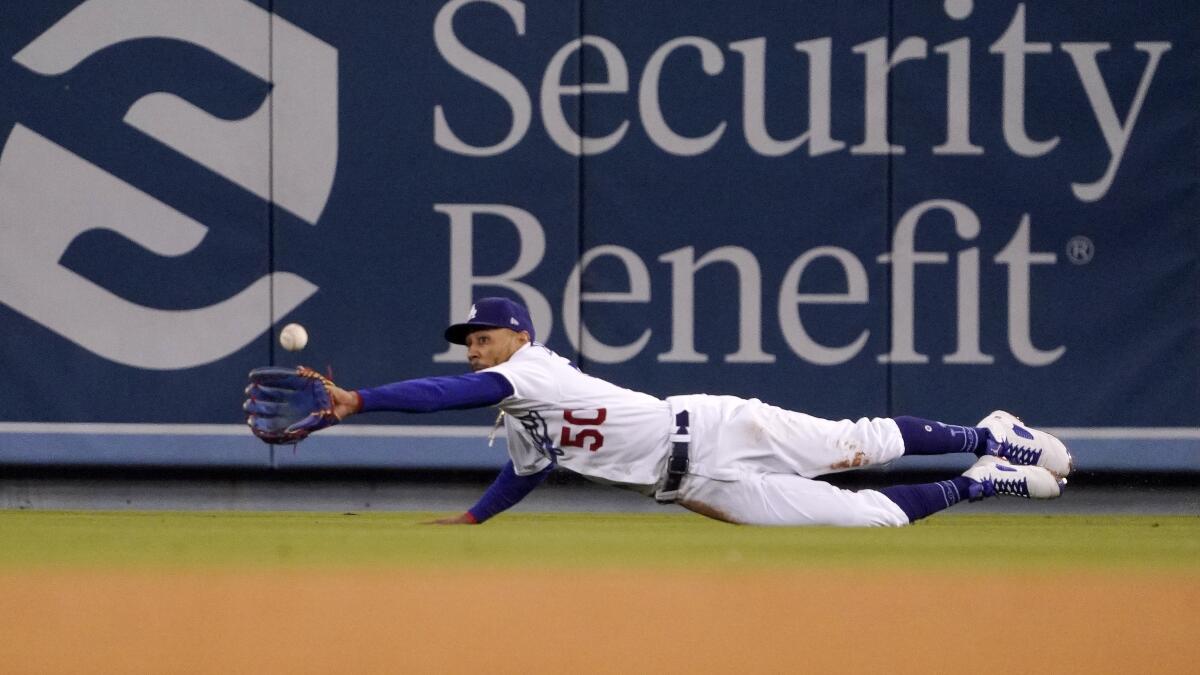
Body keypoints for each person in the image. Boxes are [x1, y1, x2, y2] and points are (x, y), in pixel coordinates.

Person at [275, 297, 1072, 526]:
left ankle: (991, 431)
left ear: (517, 333)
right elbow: (529, 470)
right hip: (697, 487)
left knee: (853, 446)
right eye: (469, 339)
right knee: (864, 519)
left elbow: (453, 392)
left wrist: (362, 399)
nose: (473, 347)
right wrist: (477, 520)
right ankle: (983, 478)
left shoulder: (529, 369)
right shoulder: (520, 410)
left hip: (713, 426)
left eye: (482, 335)